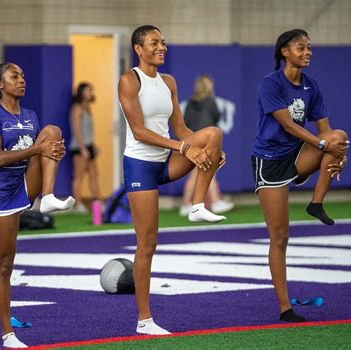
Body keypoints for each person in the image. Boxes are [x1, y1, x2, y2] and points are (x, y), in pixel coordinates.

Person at [118, 25, 227, 335]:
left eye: (163, 42)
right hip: (140, 166)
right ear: (139, 49)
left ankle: (197, 205)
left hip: (166, 160)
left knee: (214, 134)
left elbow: (180, 128)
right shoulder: (129, 80)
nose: (161, 47)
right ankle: (144, 320)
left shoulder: (169, 81)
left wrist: (206, 148)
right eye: (154, 43)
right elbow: (139, 131)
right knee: (147, 244)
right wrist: (185, 148)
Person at [251, 29, 349, 323]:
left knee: (339, 137)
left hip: (297, 154)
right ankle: (285, 308)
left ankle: (315, 202)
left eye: (309, 48)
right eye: (301, 47)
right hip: (269, 161)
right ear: (285, 51)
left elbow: (325, 131)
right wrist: (322, 146)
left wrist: (334, 157)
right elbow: (289, 126)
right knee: (280, 236)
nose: (308, 52)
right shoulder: (270, 84)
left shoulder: (311, 86)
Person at [0, 62, 75, 348]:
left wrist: (52, 149)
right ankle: (8, 334)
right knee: (5, 264)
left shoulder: (30, 116)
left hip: (24, 182)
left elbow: (38, 153)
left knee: (52, 131)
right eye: (14, 76)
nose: (21, 80)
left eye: (22, 75)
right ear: (0, 84)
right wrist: (39, 149)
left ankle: (46, 198)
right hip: (1, 193)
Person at [179, 75, 235, 216]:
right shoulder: (211, 102)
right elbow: (216, 118)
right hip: (206, 140)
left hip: (193, 140)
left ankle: (186, 204)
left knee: (195, 174)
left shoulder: (190, 103)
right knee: (208, 170)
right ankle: (215, 202)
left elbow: (185, 121)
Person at [68, 82, 102, 212]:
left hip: (89, 145)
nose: (90, 93)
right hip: (78, 146)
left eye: (90, 90)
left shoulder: (88, 107)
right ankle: (77, 205)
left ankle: (99, 203)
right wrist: (82, 148)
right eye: (87, 90)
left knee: (94, 175)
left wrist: (93, 146)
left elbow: (88, 130)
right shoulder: (76, 108)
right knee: (79, 175)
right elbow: (77, 130)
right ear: (81, 93)